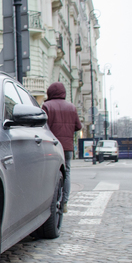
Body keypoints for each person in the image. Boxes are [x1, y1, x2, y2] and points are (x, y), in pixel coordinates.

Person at [41, 82, 82, 213]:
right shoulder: (71, 107)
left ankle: (51, 202)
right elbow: (79, 127)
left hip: (52, 146)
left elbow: (42, 125)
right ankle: (64, 203)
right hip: (68, 147)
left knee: (51, 174)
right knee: (67, 173)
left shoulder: (47, 106)